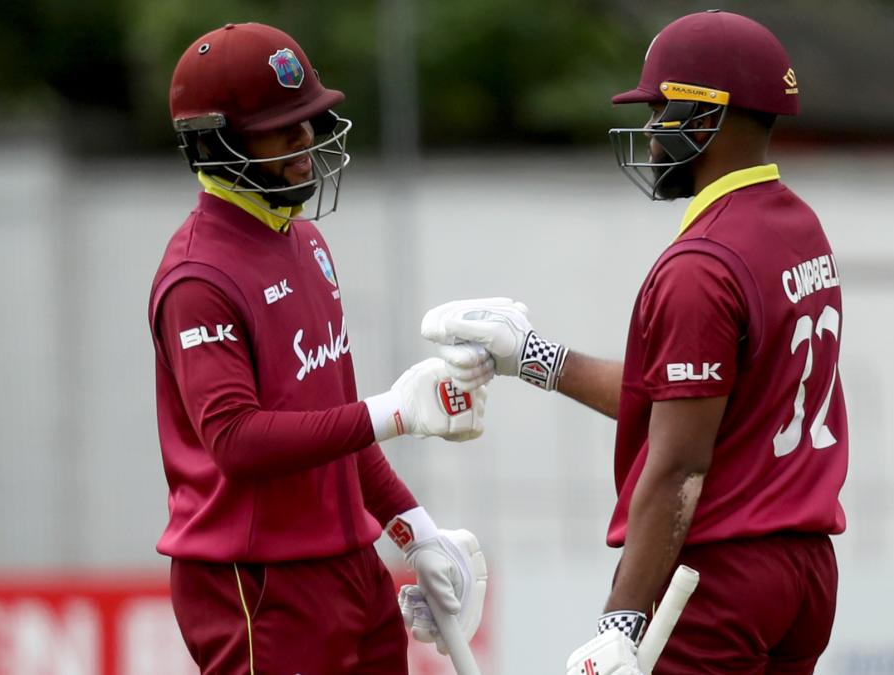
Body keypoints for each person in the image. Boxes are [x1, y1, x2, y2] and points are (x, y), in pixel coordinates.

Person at [421, 11, 847, 675]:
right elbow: (692, 398)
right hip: (805, 570)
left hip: (718, 577)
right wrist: (536, 358)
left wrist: (621, 618)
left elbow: (679, 462)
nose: (649, 133)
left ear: (706, 118)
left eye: (660, 111)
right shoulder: (798, 225)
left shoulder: (702, 261)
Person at [148, 22, 490, 674]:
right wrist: (394, 411)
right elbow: (236, 440)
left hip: (349, 562)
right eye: (284, 126)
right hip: (257, 578)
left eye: (308, 120)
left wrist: (413, 529)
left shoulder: (304, 242)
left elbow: (331, 423)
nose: (306, 140)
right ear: (215, 140)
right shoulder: (198, 276)